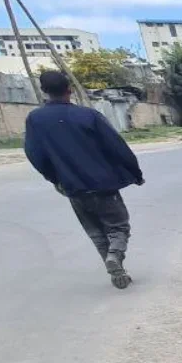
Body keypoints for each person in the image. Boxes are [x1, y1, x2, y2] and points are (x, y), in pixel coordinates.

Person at [23, 69, 144, 289]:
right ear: (69, 89)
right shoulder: (88, 116)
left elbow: (34, 154)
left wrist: (55, 179)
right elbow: (117, 147)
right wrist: (135, 173)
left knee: (96, 232)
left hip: (73, 187)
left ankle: (117, 271)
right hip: (104, 185)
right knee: (118, 227)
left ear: (44, 91)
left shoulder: (35, 120)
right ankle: (115, 256)